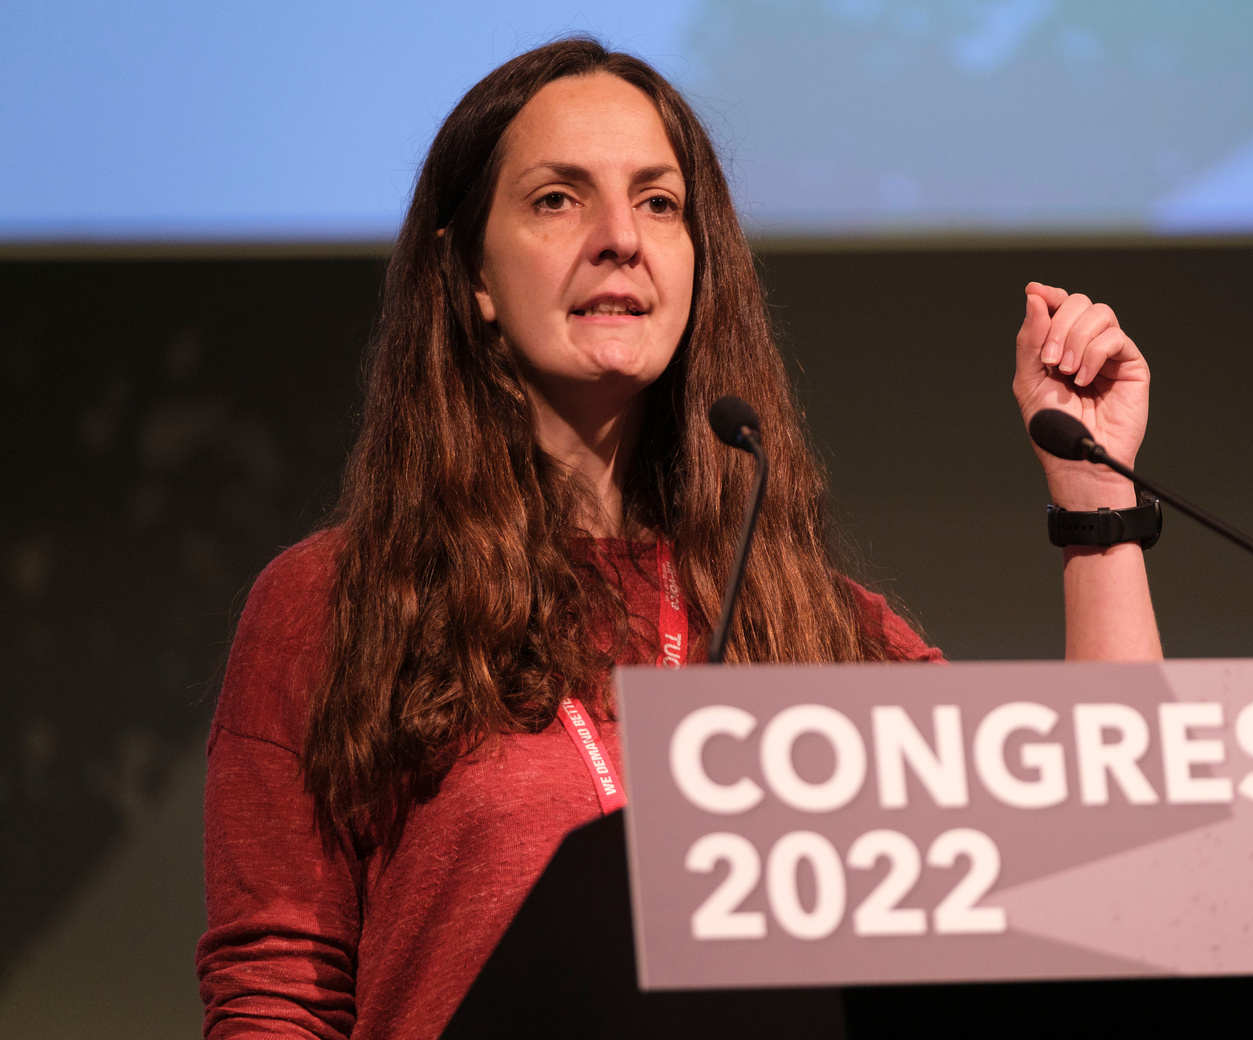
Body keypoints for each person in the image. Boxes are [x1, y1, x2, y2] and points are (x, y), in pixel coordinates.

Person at [196, 37, 1159, 1040]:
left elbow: (1098, 843)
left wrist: (1096, 501)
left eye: (659, 202)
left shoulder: (805, 617)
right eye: (557, 199)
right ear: (471, 274)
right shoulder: (338, 601)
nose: (621, 237)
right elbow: (278, 998)